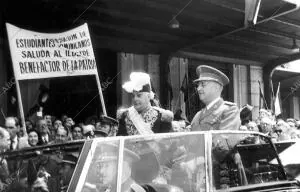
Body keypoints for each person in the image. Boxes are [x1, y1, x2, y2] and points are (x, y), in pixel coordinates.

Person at [191, 65, 241, 131]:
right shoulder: (198, 115)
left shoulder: (230, 111)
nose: (198, 88)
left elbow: (225, 138)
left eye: (203, 84)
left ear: (217, 87)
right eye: (198, 85)